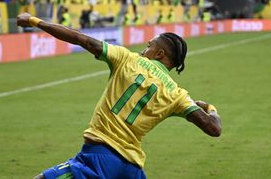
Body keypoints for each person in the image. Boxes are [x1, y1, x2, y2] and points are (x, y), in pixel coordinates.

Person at [17, 12, 221, 179]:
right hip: (132, 168)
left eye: (149, 46)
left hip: (99, 158)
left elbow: (82, 39)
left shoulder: (127, 59)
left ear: (159, 54)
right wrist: (210, 108)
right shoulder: (178, 95)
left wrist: (34, 21)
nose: (144, 50)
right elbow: (214, 129)